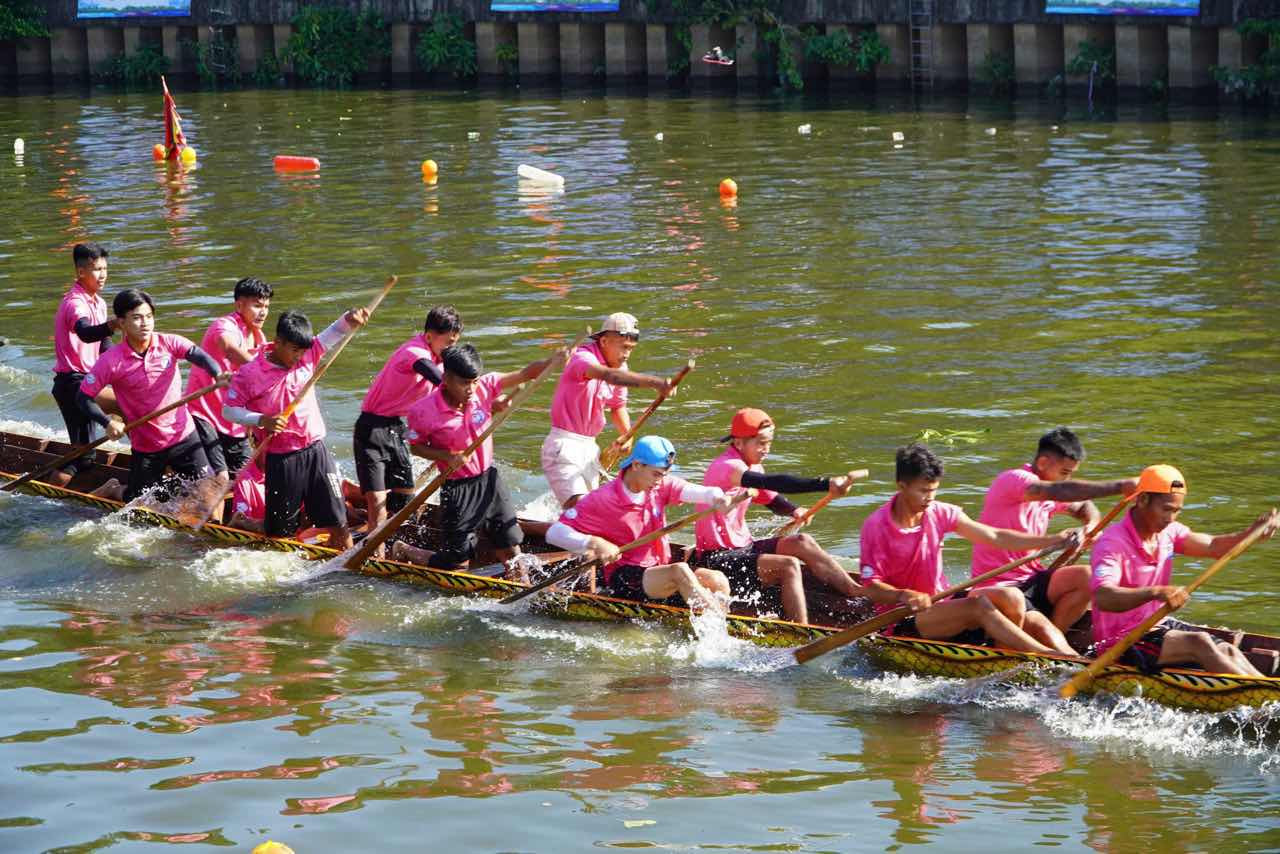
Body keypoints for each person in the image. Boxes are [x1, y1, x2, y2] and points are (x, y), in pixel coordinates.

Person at [857, 444, 1078, 655]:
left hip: (942, 603)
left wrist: (1050, 540)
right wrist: (904, 595)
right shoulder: (876, 526)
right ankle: (1041, 655)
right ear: (902, 486)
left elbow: (995, 536)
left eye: (934, 490)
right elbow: (871, 588)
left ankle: (1017, 657)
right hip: (903, 617)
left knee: (1011, 597)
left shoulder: (939, 512)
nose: (930, 498)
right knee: (978, 607)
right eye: (923, 491)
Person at [1089, 464, 1277, 675]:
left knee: (1227, 649)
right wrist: (1156, 592)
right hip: (1120, 641)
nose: (1170, 518)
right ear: (1142, 500)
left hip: (1157, 625)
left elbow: (1213, 546)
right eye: (1166, 509)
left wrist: (1251, 534)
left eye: (1176, 511)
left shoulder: (1169, 532)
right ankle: (1257, 699)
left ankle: (1267, 691)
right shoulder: (1112, 544)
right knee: (1200, 642)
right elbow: (1103, 597)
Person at [693, 407, 866, 624]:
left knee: (803, 542)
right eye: (761, 443)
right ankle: (800, 632)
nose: (766, 449)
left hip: (743, 548)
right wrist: (825, 484)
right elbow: (775, 482)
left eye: (769, 443)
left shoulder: (753, 467)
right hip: (717, 559)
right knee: (788, 565)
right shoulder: (727, 467)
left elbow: (772, 499)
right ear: (738, 443)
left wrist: (794, 510)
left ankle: (855, 591)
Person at [392, 343, 553, 575]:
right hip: (458, 488)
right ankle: (405, 549)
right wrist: (446, 456)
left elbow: (526, 374)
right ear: (446, 378)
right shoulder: (422, 411)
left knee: (511, 547)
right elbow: (415, 448)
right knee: (456, 564)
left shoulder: (483, 388)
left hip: (489, 481)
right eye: (464, 383)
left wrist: (553, 362)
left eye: (474, 381)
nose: (471, 389)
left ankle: (521, 591)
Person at [222, 306, 368, 550]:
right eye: (294, 350)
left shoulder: (309, 353)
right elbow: (229, 410)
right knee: (279, 533)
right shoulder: (250, 373)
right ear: (278, 342)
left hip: (316, 450)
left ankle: (342, 564)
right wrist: (262, 420)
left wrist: (350, 318)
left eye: (303, 350)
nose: (300, 356)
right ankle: (245, 522)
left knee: (339, 522)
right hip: (282, 457)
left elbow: (333, 333)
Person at [970, 427, 1138, 634]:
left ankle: (1056, 636)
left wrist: (1090, 527)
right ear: (1042, 463)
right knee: (1044, 628)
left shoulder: (1050, 491)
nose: (1065, 480)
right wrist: (1120, 486)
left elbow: (1085, 505)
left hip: (1032, 578)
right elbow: (1063, 491)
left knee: (1088, 576)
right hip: (999, 585)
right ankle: (1050, 646)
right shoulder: (1015, 479)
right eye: (1064, 473)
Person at [545, 435, 734, 612]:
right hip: (625, 577)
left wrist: (718, 498)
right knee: (680, 570)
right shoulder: (602, 499)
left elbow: (703, 492)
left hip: (657, 571)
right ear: (636, 465)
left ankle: (715, 622)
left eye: (663, 475)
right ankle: (718, 627)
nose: (660, 481)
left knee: (718, 580)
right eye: (656, 474)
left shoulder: (659, 486)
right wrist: (594, 543)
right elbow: (555, 532)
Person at [77, 289, 227, 501]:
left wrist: (218, 374)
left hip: (183, 435)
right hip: (147, 444)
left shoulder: (169, 343)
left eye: (149, 316)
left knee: (206, 488)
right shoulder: (111, 361)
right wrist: (107, 423)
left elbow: (200, 356)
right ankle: (113, 489)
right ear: (121, 323)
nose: (145, 323)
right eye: (137, 318)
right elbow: (83, 397)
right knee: (137, 501)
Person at [541, 312, 680, 509]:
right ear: (604, 341)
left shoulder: (620, 367)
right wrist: (655, 382)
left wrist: (627, 435)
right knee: (581, 508)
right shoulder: (582, 358)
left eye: (631, 348)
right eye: (623, 347)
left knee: (591, 508)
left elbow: (618, 406)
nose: (627, 354)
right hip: (563, 445)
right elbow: (609, 376)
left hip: (590, 448)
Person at [355, 305, 462, 541]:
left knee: (404, 498)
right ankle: (376, 552)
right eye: (449, 343)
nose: (451, 348)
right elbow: (439, 381)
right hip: (371, 429)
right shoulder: (414, 352)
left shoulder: (438, 357)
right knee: (377, 503)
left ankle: (394, 543)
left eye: (455, 343)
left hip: (396, 428)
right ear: (430, 336)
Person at [186, 277, 271, 483]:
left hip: (234, 420)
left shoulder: (260, 338)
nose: (263, 312)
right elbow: (230, 349)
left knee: (250, 479)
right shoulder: (224, 325)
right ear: (240, 304)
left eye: (266, 306)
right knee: (220, 478)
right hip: (204, 414)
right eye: (257, 305)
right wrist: (267, 372)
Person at [50, 243, 120, 486]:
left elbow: (103, 343)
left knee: (86, 456)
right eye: (96, 269)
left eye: (105, 268)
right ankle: (52, 492)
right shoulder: (74, 303)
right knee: (83, 456)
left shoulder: (98, 303)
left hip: (89, 380)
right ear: (81, 272)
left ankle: (149, 457)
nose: (103, 275)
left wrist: (124, 368)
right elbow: (86, 333)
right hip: (72, 383)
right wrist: (113, 324)